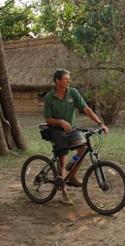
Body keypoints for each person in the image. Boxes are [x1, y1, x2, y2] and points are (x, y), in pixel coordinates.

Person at [43, 69, 108, 205]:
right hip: (57, 132)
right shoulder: (49, 97)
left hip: (72, 130)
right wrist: (60, 121)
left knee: (83, 148)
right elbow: (48, 119)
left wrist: (100, 123)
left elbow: (86, 109)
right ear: (57, 81)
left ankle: (72, 175)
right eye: (66, 79)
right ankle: (64, 193)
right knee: (61, 162)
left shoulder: (73, 92)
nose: (69, 81)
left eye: (69, 78)